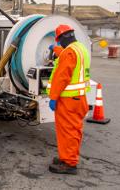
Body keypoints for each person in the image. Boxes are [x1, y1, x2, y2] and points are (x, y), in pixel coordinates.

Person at [46, 24, 91, 174]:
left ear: (63, 38)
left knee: (68, 131)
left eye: (59, 41)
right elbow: (66, 55)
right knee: (71, 130)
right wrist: (55, 49)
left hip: (69, 101)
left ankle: (70, 163)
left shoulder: (69, 53)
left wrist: (53, 97)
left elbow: (62, 77)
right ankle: (66, 157)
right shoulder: (80, 48)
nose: (59, 44)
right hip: (79, 98)